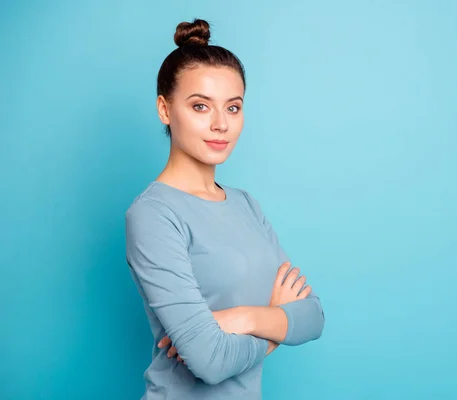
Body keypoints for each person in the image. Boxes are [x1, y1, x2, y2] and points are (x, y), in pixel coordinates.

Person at [124, 18, 325, 399]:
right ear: (165, 110)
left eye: (233, 108)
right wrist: (277, 327)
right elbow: (210, 362)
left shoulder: (246, 204)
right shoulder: (153, 215)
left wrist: (241, 318)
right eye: (201, 106)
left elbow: (313, 317)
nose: (220, 124)